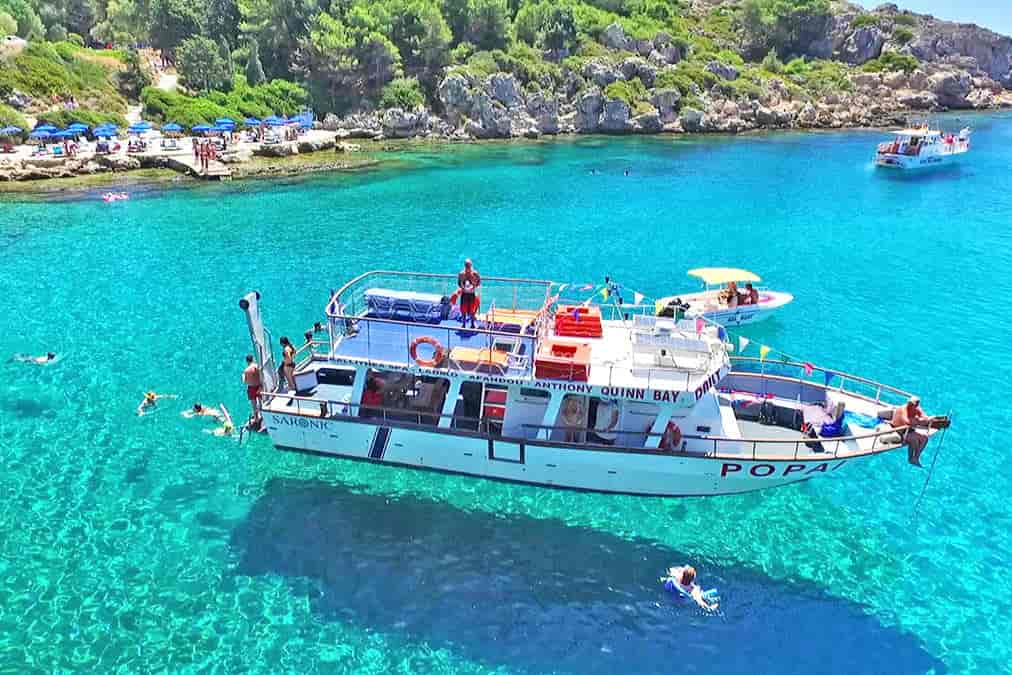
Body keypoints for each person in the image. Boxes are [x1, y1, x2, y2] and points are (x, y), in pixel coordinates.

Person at [892, 396, 946, 467]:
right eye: (911, 403)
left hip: (909, 430)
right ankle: (911, 458)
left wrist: (931, 418)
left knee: (925, 439)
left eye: (915, 404)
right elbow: (907, 421)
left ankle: (916, 458)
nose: (912, 405)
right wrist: (918, 421)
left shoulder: (917, 409)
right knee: (915, 440)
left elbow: (925, 417)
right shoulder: (903, 409)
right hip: (900, 430)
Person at [456, 259, 481, 329]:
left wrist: (474, 286)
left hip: (472, 294)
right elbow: (458, 283)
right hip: (464, 294)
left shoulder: (475, 273)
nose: (468, 266)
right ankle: (463, 324)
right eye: (466, 265)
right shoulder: (461, 274)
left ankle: (472, 324)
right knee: (463, 310)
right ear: (464, 265)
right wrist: (462, 287)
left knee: (472, 311)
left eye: (469, 265)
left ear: (471, 265)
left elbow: (479, 282)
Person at [243, 354, 262, 428]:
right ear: (253, 359)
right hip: (259, 386)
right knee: (261, 402)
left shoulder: (246, 370)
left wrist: (243, 377)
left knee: (254, 404)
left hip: (251, 388)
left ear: (247, 361)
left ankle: (256, 418)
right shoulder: (257, 367)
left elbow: (245, 382)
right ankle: (263, 415)